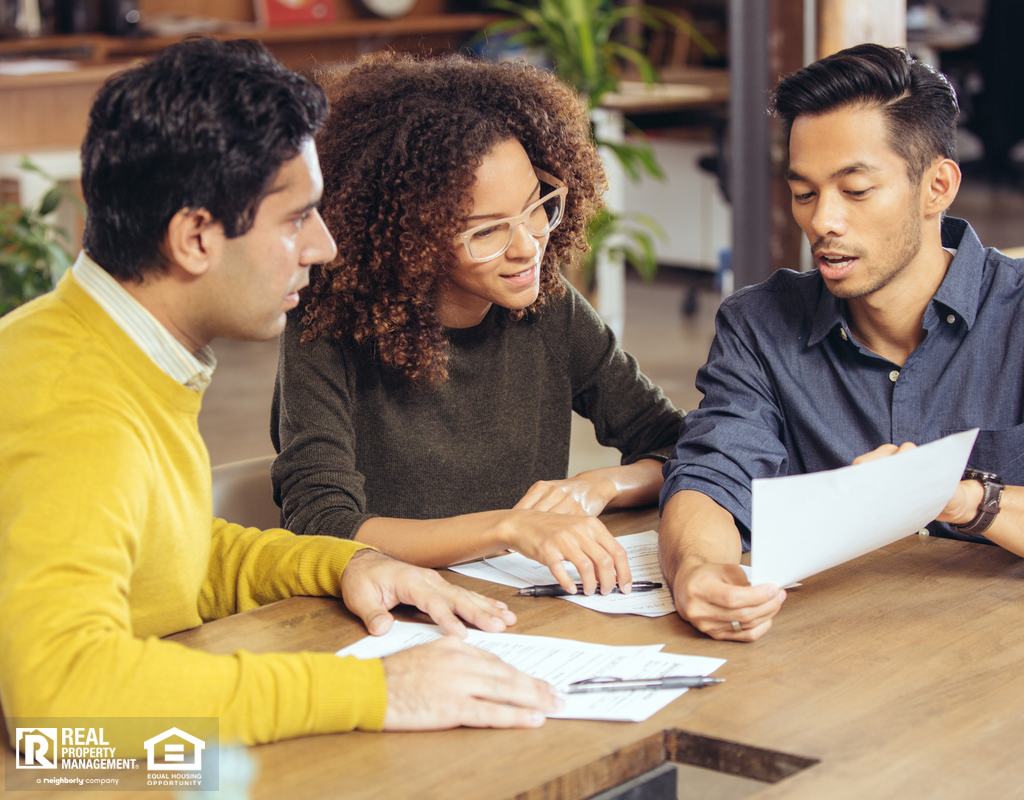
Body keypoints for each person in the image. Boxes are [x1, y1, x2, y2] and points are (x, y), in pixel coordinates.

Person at [0, 37, 565, 748]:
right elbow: (58, 702)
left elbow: (162, 557)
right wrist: (377, 690)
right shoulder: (74, 404)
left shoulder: (106, 350)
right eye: (297, 219)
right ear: (196, 238)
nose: (324, 246)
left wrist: (350, 563)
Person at [271, 52, 684, 595]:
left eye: (536, 206)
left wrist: (600, 485)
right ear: (411, 240)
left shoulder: (549, 308)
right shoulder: (329, 325)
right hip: (389, 611)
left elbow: (679, 445)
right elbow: (321, 525)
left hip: (516, 603)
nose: (527, 246)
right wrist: (508, 528)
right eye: (486, 231)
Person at [658, 43, 1024, 642]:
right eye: (804, 194)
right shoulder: (759, 324)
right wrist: (697, 571)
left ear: (937, 186)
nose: (823, 221)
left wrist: (957, 498)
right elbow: (712, 475)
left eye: (855, 190)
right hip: (835, 657)